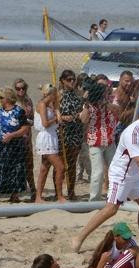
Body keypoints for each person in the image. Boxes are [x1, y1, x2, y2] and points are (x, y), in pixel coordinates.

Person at [72, 102, 139, 253]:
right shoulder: (132, 132)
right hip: (120, 174)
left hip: (133, 173)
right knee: (111, 209)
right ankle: (79, 237)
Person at [79, 80, 119, 201]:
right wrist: (86, 103)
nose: (104, 96)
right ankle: (94, 199)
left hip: (109, 141)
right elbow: (83, 120)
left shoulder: (109, 103)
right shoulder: (89, 106)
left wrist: (106, 104)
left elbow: (118, 110)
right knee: (98, 171)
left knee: (115, 169)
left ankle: (114, 196)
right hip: (95, 142)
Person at [34, 84, 65, 203]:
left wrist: (56, 109)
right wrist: (56, 119)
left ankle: (38, 197)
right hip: (46, 137)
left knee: (44, 168)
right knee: (60, 167)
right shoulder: (42, 104)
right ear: (51, 94)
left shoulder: (50, 105)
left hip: (51, 136)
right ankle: (60, 196)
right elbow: (45, 123)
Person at [57, 70, 84, 200]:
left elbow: (81, 112)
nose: (72, 81)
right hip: (63, 133)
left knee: (72, 164)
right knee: (61, 165)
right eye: (68, 79)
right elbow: (55, 113)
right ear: (62, 81)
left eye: (73, 79)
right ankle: (59, 193)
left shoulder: (77, 95)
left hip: (76, 132)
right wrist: (64, 117)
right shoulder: (58, 95)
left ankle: (71, 191)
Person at [14, 78, 36, 199]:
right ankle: (15, 193)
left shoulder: (28, 101)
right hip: (16, 138)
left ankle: (33, 190)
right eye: (18, 88)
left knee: (29, 165)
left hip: (27, 138)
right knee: (17, 166)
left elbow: (32, 118)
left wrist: (28, 121)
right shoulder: (13, 102)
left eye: (23, 88)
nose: (21, 90)